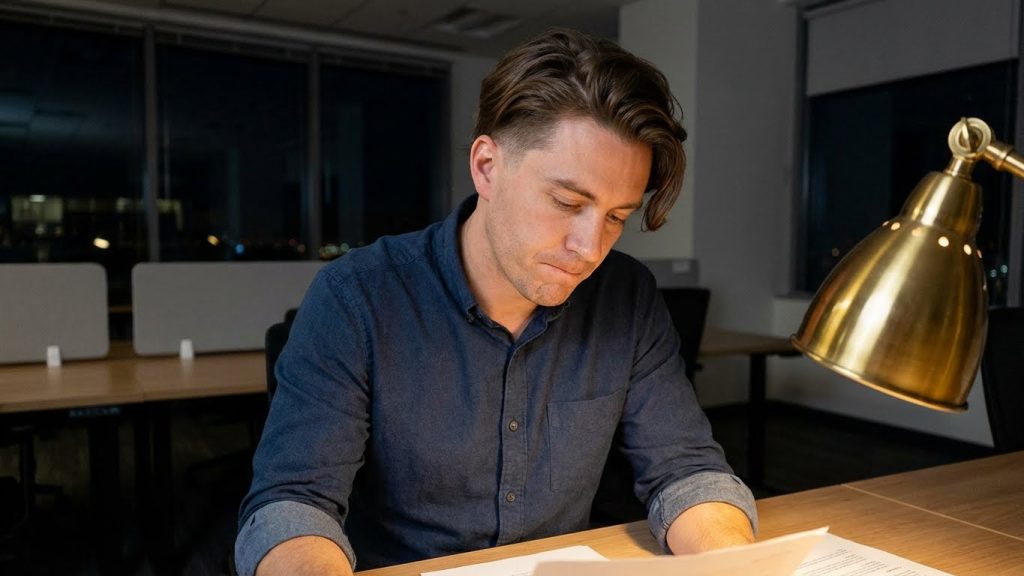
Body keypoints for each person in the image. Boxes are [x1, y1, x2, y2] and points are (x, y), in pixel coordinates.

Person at [235, 28, 757, 576]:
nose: (590, 248)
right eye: (567, 202)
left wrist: (736, 562)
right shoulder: (358, 297)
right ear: (486, 166)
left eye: (616, 217)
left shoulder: (625, 296)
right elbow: (292, 504)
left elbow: (685, 470)